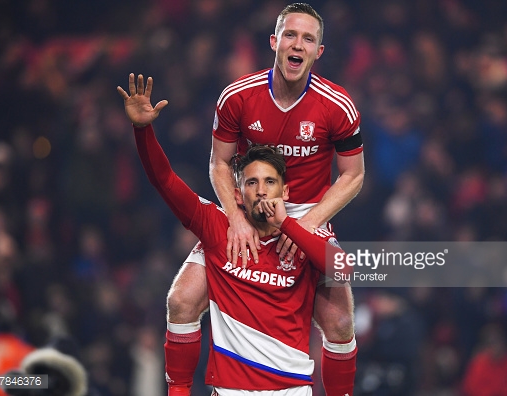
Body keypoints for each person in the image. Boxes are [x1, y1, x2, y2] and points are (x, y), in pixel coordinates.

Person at [157, 3, 364, 395]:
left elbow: (354, 175)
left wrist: (308, 223)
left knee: (339, 322)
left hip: (306, 214)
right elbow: (219, 164)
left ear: (318, 51)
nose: (297, 44)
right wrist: (234, 216)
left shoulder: (338, 106)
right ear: (274, 42)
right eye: (290, 34)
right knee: (181, 300)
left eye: (308, 38)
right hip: (249, 207)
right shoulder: (238, 96)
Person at [117, 73, 354, 395]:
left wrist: (288, 226)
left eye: (270, 182)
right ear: (238, 193)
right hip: (230, 391)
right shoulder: (217, 227)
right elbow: (164, 180)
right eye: (251, 183)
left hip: (291, 391)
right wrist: (143, 129)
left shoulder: (305, 237)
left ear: (286, 192)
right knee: (180, 299)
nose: (261, 191)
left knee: (341, 321)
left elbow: (342, 270)